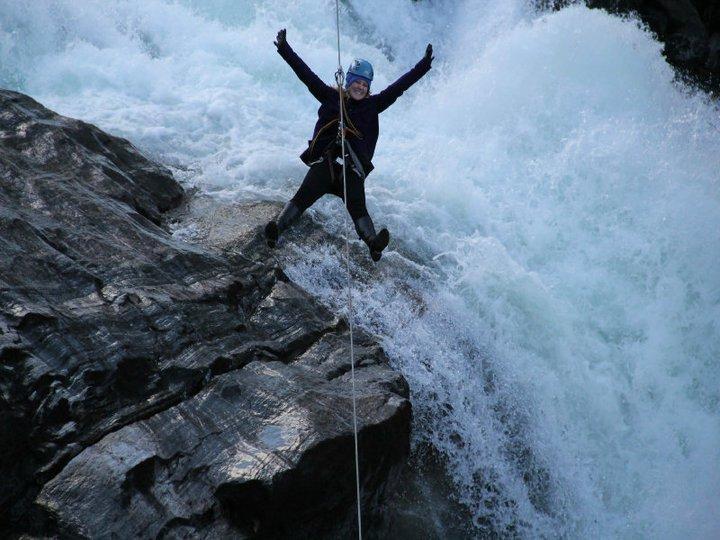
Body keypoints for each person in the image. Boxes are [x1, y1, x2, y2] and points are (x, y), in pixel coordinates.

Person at [265, 28, 434, 261]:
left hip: (351, 169)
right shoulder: (331, 97)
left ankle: (374, 244)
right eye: (357, 83)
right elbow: (306, 75)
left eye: (365, 85)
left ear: (368, 87)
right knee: (302, 197)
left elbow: (400, 87)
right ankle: (276, 231)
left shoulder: (374, 104)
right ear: (349, 82)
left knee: (358, 208)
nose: (360, 88)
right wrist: (285, 49)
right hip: (327, 164)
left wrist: (423, 66)